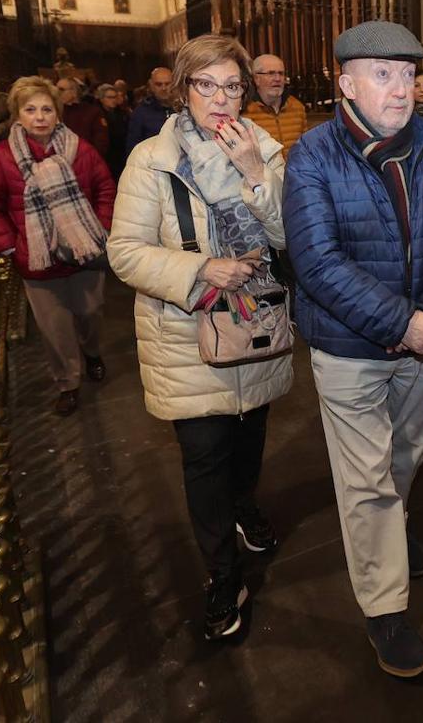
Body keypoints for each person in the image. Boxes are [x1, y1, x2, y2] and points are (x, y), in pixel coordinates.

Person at [283, 21, 423, 678]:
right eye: (382, 74)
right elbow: (317, 261)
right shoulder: (312, 155)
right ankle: (385, 611)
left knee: (406, 452)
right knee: (365, 478)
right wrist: (401, 322)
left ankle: (389, 533)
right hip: (350, 346)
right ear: (346, 83)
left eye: (407, 74)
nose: (401, 88)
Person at [108, 34, 292, 641]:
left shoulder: (264, 147)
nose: (221, 99)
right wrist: (198, 270)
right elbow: (126, 252)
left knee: (249, 442)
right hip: (186, 335)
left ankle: (245, 504)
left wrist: (255, 174)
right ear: (184, 91)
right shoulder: (150, 161)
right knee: (205, 458)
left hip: (255, 327)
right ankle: (222, 574)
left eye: (232, 86)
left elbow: (292, 237)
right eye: (207, 85)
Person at [0, 76, 116, 416]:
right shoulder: (2, 157)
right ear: (17, 115)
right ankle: (68, 382)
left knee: (90, 314)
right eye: (30, 109)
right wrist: (10, 246)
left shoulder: (81, 150)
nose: (39, 117)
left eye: (47, 109)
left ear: (58, 113)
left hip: (84, 254)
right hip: (38, 261)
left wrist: (101, 229)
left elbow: (106, 189)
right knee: (54, 327)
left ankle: (91, 351)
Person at [243, 53, 307, 155]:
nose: (277, 78)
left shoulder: (297, 107)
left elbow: (306, 147)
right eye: (271, 73)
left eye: (281, 73)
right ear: (256, 79)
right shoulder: (245, 112)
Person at [125, 67, 178, 158]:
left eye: (167, 84)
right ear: (151, 85)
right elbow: (133, 148)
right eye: (159, 84)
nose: (163, 88)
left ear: (174, 84)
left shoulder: (184, 109)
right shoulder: (141, 113)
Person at [56, 76, 110, 160]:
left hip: (88, 161)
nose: (57, 93)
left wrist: (89, 159)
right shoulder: (57, 112)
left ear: (73, 92)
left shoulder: (92, 112)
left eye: (61, 90)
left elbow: (101, 142)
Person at [95, 83, 129, 180]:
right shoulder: (97, 115)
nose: (113, 100)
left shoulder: (122, 113)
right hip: (107, 155)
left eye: (115, 97)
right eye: (109, 97)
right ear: (102, 99)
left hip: (121, 154)